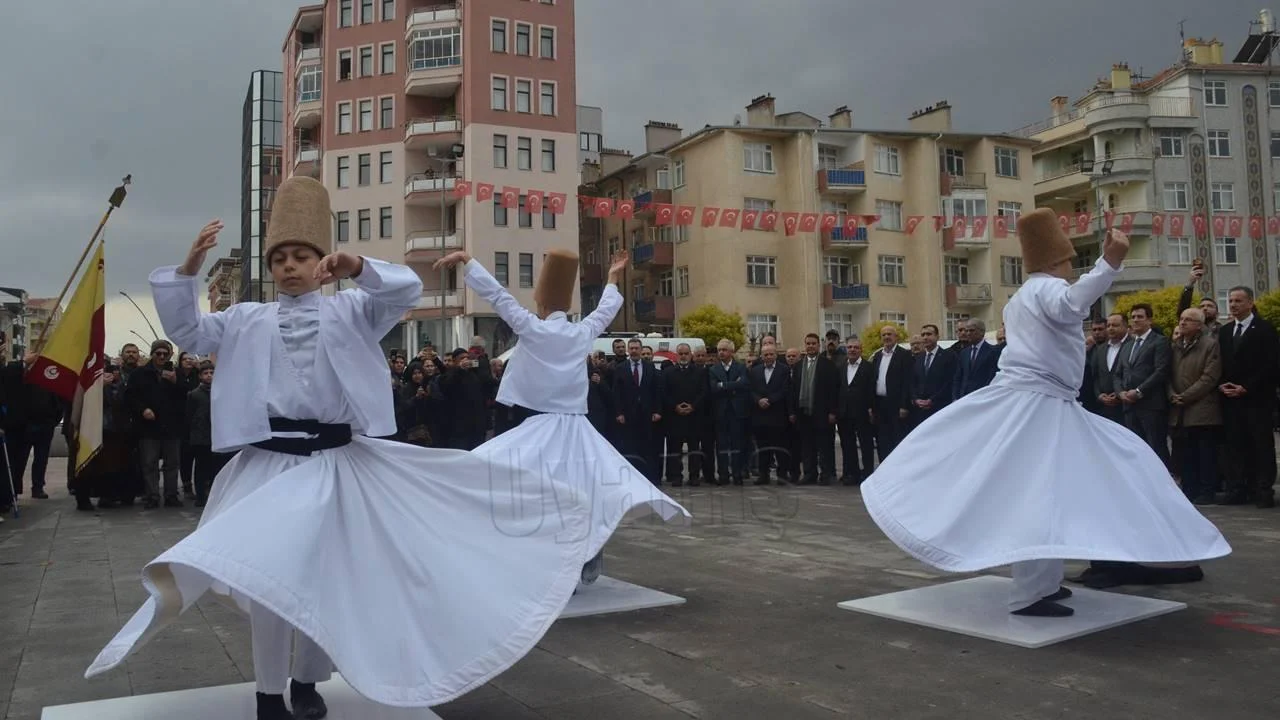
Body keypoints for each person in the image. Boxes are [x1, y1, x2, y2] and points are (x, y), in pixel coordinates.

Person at [84, 177, 596, 720]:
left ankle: (307, 681)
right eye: (279, 258)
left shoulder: (354, 310)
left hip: (334, 465)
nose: (289, 266)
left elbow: (404, 291)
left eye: (301, 256)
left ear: (321, 261)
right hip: (268, 467)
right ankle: (267, 694)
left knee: (325, 579)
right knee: (269, 582)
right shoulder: (243, 319)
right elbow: (188, 331)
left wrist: (358, 266)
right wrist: (188, 269)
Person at [859, 208, 1231, 618]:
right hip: (1037, 404)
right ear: (1056, 260)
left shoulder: (1023, 296)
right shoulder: (1047, 290)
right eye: (1069, 259)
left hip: (1043, 402)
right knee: (1042, 492)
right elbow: (1072, 304)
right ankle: (1031, 593)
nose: (1072, 267)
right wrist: (1109, 262)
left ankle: (1044, 584)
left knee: (1048, 491)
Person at [433, 247, 689, 589]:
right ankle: (586, 550)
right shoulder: (581, 332)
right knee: (584, 491)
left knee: (514, 483)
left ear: (541, 303)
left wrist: (468, 261)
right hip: (578, 431)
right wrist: (612, 276)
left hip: (542, 429)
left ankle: (539, 553)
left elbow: (499, 297)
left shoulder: (532, 328)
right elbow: (606, 310)